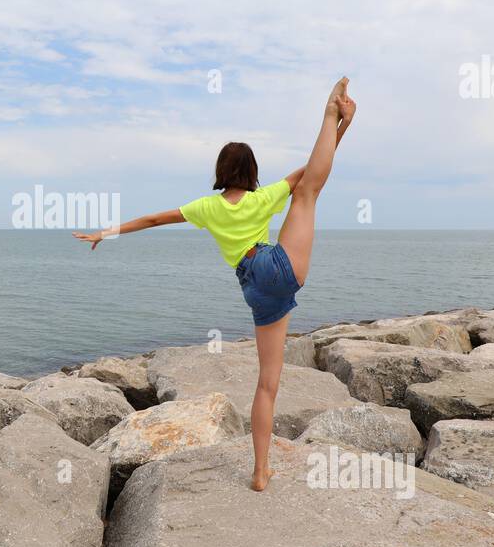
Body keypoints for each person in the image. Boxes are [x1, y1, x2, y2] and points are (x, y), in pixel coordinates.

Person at [74, 78, 356, 490]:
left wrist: (106, 233)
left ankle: (260, 472)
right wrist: (340, 126)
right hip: (277, 268)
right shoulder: (262, 199)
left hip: (253, 287)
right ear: (253, 172)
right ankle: (329, 110)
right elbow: (311, 172)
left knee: (266, 383)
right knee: (308, 193)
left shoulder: (206, 207)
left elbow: (153, 220)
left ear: (222, 172)